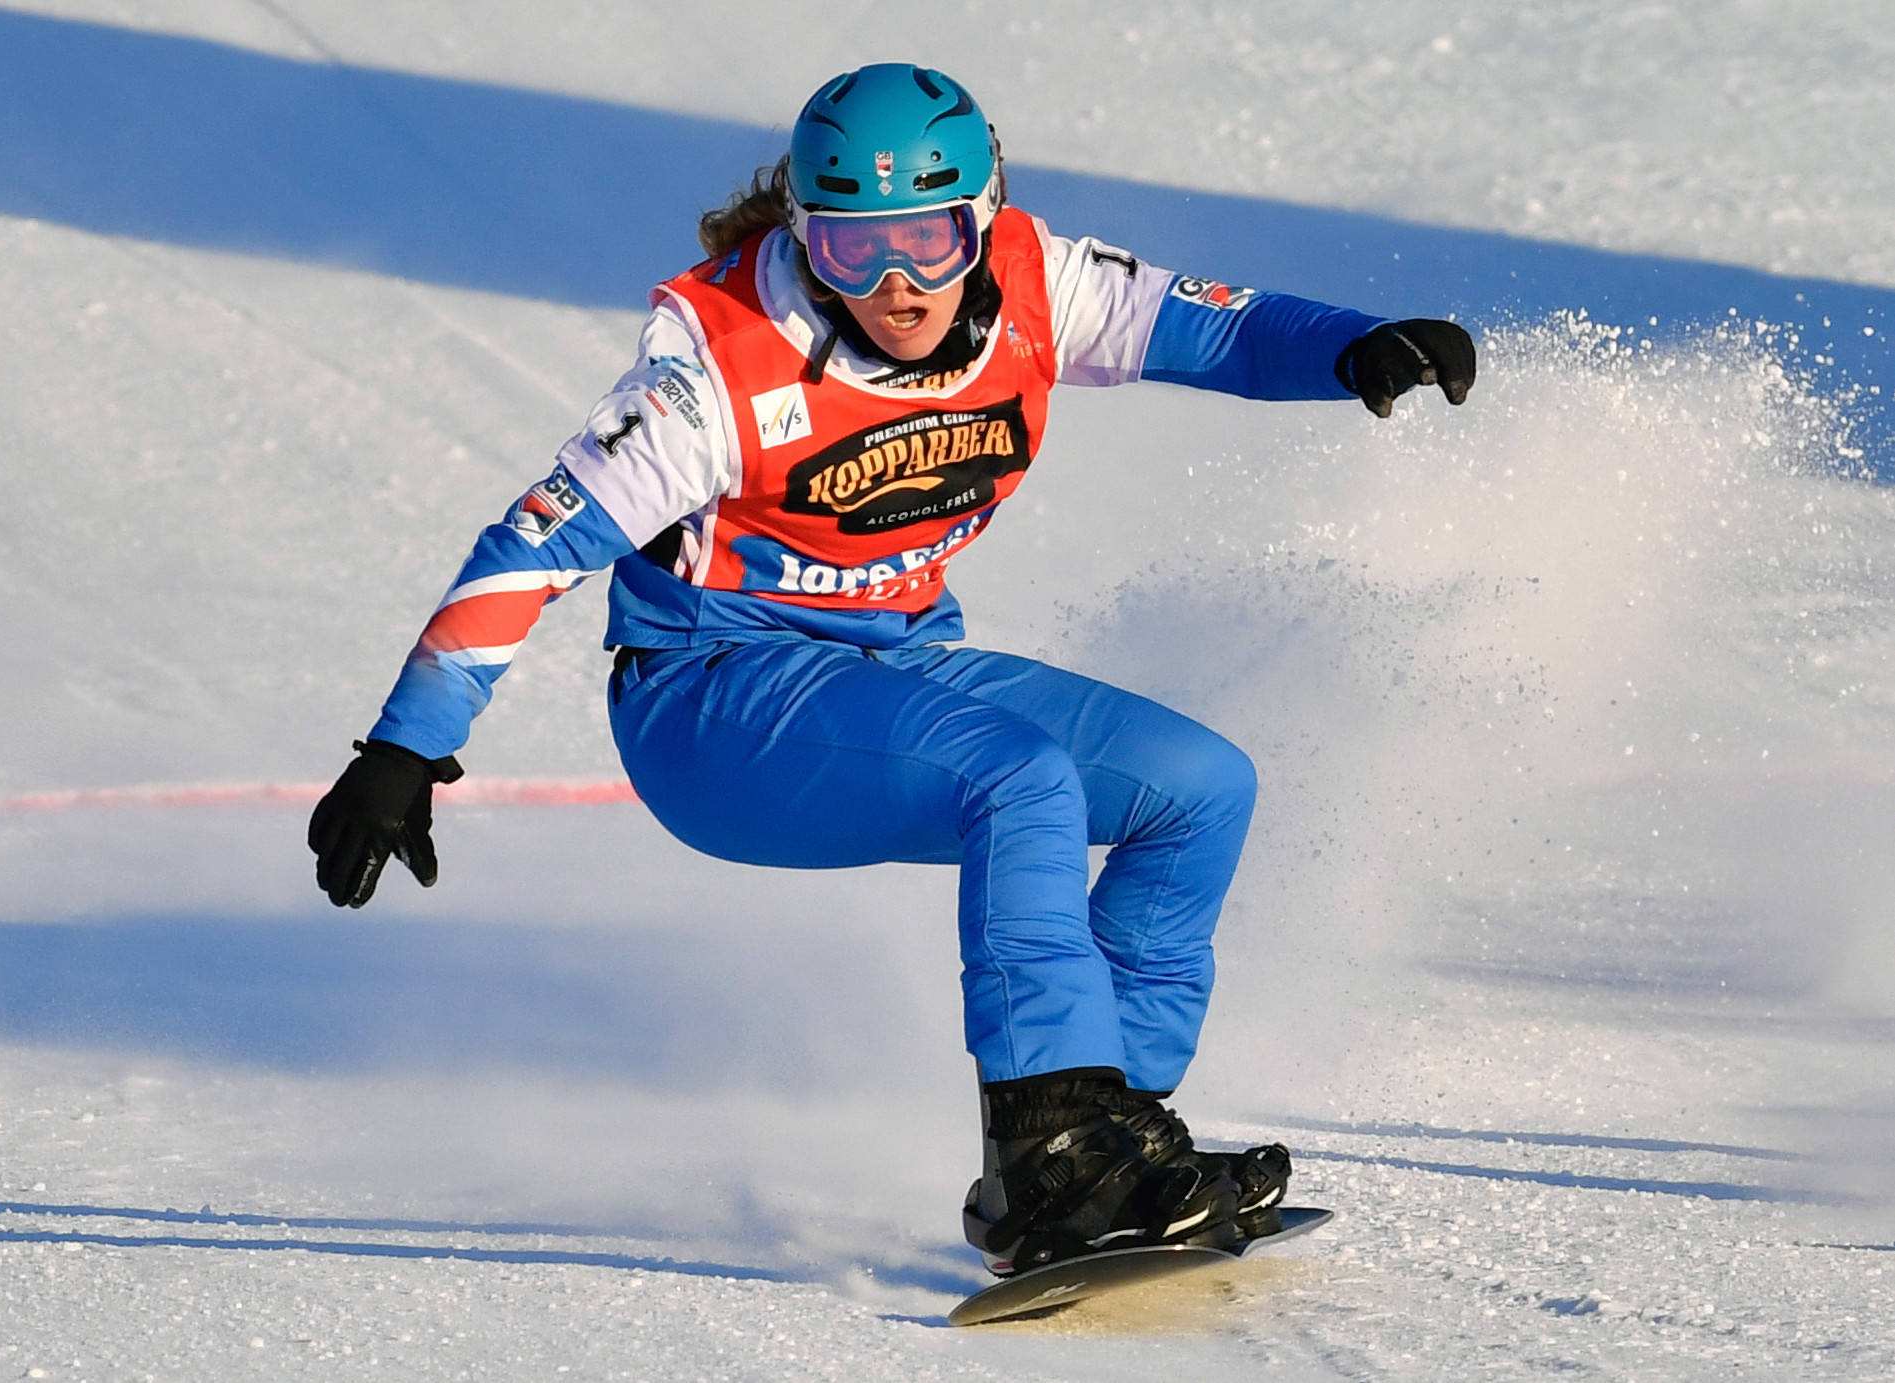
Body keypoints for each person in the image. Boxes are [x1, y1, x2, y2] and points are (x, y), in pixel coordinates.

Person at [308, 63, 1475, 1278]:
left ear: (985, 217)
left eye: (929, 239)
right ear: (804, 238)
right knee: (1019, 778)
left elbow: (1218, 326)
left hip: (893, 662)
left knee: (1199, 787)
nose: (898, 285)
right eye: (852, 250)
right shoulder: (714, 370)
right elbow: (532, 548)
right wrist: (405, 747)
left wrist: (1352, 346)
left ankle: (1118, 1140)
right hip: (711, 701)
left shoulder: (1036, 282)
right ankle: (1048, 1159)